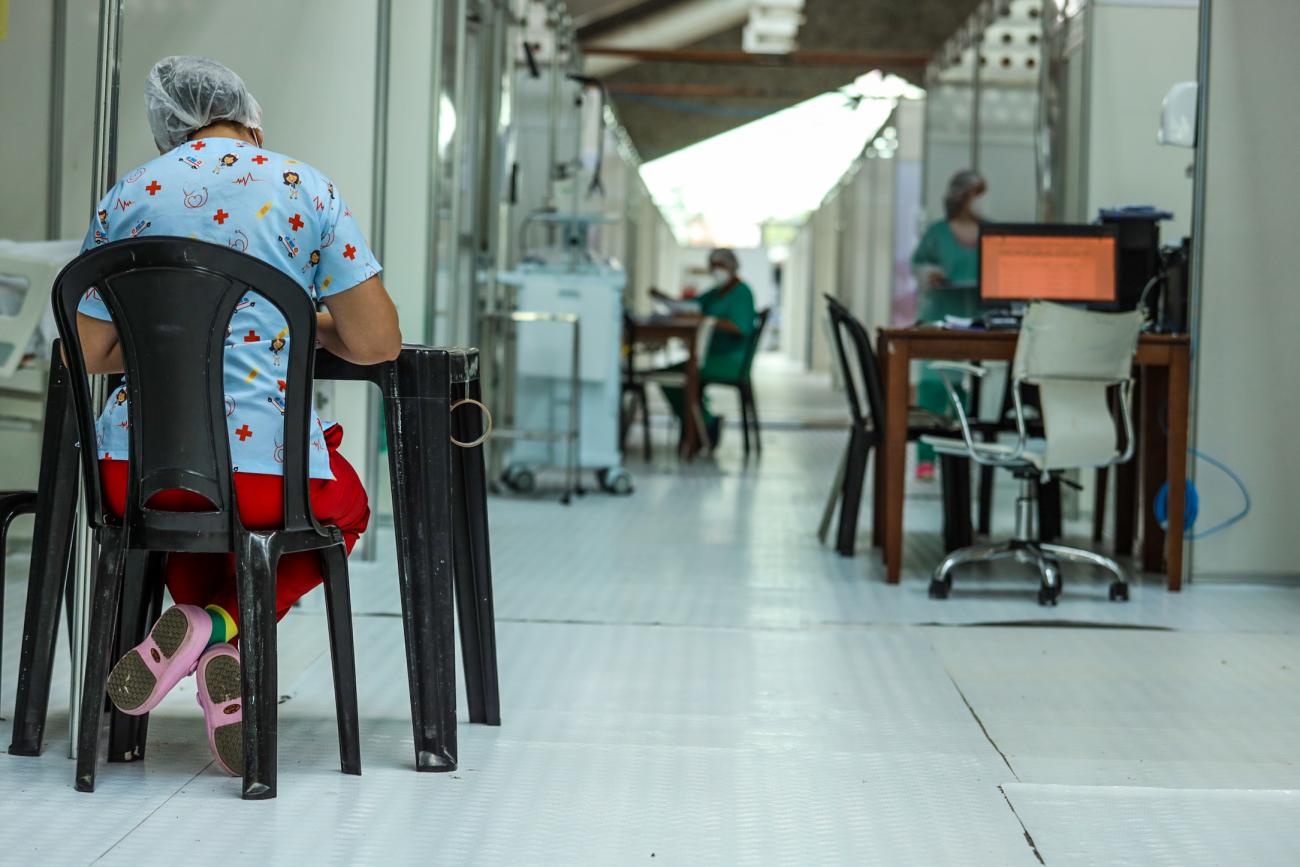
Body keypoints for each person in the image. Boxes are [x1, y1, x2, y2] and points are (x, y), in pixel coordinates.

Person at [74, 56, 401, 778]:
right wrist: (290, 321)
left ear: (171, 133)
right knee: (341, 510)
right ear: (249, 119)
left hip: (134, 476)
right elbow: (378, 343)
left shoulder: (128, 194)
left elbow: (93, 352)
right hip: (263, 477)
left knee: (196, 529)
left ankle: (206, 641)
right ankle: (219, 630)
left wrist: (175, 333)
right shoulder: (301, 185)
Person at [909, 169, 985, 481]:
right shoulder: (937, 233)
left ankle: (960, 452)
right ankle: (926, 458)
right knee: (932, 385)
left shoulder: (989, 232)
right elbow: (919, 264)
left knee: (969, 386)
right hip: (940, 313)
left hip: (976, 316)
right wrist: (931, 274)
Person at [650, 249, 756, 451]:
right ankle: (700, 426)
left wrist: (709, 321)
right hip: (707, 358)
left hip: (730, 361)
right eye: (712, 265)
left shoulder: (743, 292)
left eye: (720, 265)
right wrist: (667, 300)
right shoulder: (715, 294)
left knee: (682, 375)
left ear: (732, 267)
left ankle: (703, 427)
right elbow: (692, 306)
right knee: (667, 375)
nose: (716, 270)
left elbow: (740, 328)